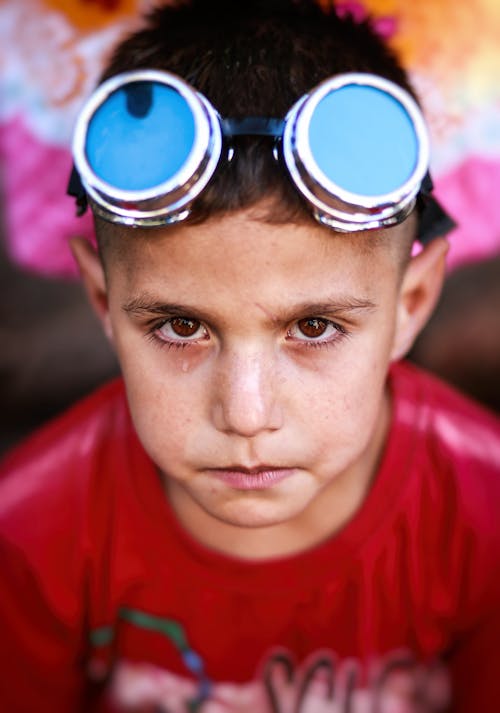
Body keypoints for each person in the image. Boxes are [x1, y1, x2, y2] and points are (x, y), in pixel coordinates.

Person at [0, 1, 499, 711]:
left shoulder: (488, 518)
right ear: (104, 302)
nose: (246, 412)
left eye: (317, 326)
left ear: (411, 305)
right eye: (180, 325)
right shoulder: (25, 535)